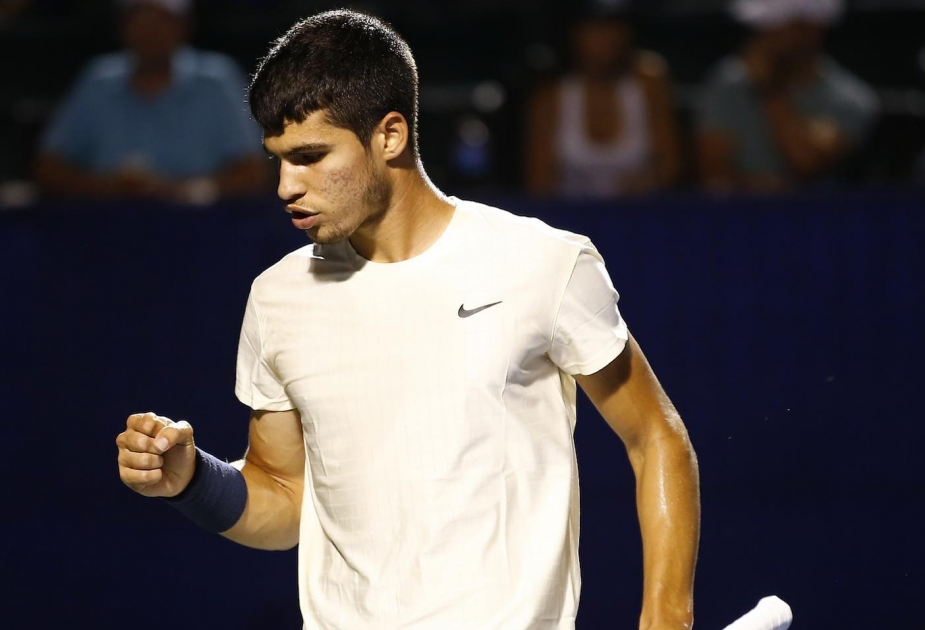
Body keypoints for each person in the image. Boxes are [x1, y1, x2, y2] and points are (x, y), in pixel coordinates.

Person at [115, 10, 700, 629]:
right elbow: (286, 499)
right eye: (278, 159)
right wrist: (191, 481)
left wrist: (667, 615)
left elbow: (656, 437)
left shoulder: (543, 263)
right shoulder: (276, 297)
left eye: (311, 155)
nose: (287, 184)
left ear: (389, 136)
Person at [34, 0, 269, 204]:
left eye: (161, 21)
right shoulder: (97, 80)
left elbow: (253, 172)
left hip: (199, 231)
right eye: (139, 21)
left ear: (183, 25)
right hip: (108, 230)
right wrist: (106, 189)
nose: (149, 32)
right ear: (122, 26)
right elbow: (48, 168)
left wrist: (179, 191)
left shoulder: (216, 79)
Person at [695, 0, 879, 193]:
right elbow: (714, 174)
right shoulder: (727, 84)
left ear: (811, 29)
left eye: (773, 26)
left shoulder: (851, 99)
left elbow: (806, 161)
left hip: (817, 219)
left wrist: (769, 89)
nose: (760, 37)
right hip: (738, 218)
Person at [526, 2, 682, 198]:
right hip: (568, 220)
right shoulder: (549, 96)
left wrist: (648, 182)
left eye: (615, 27)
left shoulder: (650, 84)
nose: (608, 38)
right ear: (575, 34)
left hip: (639, 217)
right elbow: (538, 182)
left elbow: (670, 166)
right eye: (596, 28)